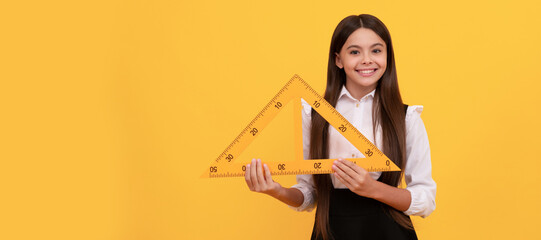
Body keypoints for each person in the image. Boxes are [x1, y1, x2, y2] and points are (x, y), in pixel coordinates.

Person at [244, 14, 436, 240]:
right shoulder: (314, 115)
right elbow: (309, 193)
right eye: (355, 52)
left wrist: (373, 189)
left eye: (376, 50)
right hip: (332, 230)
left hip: (389, 231)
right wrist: (276, 190)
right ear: (338, 59)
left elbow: (425, 200)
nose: (367, 60)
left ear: (388, 56)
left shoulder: (406, 118)